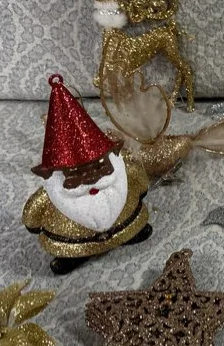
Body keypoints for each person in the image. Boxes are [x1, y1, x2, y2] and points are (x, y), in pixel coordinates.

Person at [22, 74, 152, 274]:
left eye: (99, 168)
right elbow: (31, 220)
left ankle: (131, 233)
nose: (91, 180)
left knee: (132, 222)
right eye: (75, 175)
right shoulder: (50, 196)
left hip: (127, 224)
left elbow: (142, 185)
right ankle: (73, 256)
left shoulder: (125, 173)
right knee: (70, 251)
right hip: (71, 243)